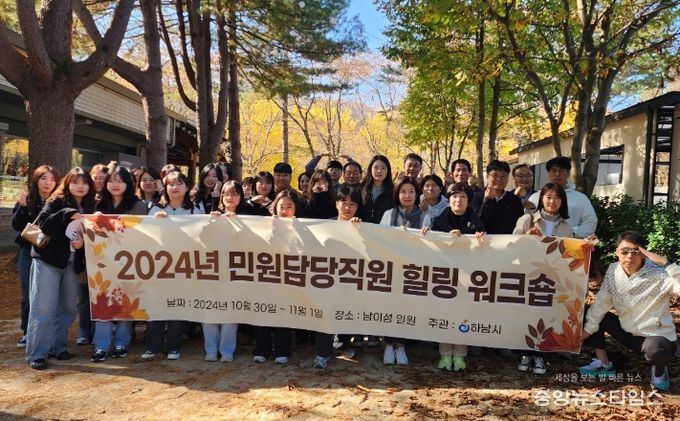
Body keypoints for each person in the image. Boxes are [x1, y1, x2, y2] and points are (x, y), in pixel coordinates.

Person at [578, 231, 678, 391]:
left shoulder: (660, 273)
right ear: (617, 252)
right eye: (624, 251)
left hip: (655, 336)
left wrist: (667, 264)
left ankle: (659, 371)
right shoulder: (613, 270)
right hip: (628, 332)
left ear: (644, 254)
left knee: (656, 350)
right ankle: (603, 363)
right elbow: (601, 303)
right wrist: (587, 331)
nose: (630, 256)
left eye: (635, 251)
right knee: (591, 313)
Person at [26, 167, 96, 370]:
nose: (80, 186)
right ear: (67, 184)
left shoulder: (92, 205)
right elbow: (43, 225)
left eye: (84, 183)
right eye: (75, 182)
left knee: (67, 308)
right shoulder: (56, 201)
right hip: (48, 261)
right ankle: (37, 353)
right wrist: (66, 213)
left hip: (73, 263)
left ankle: (58, 347)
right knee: (43, 308)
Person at [422, 182, 485, 372]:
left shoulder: (476, 221)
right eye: (454, 196)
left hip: (467, 279)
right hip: (444, 278)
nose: (458, 200)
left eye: (463, 196)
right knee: (445, 315)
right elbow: (432, 244)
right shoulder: (440, 220)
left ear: (468, 200)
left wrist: (476, 238)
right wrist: (440, 236)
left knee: (463, 315)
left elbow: (483, 248)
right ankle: (444, 353)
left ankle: (459, 356)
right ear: (448, 200)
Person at [513, 183, 573, 375]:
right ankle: (525, 353)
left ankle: (540, 355)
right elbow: (511, 244)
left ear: (562, 201)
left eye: (557, 198)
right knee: (527, 314)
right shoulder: (527, 219)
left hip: (553, 278)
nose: (552, 201)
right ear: (541, 199)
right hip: (528, 274)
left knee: (546, 315)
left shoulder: (566, 226)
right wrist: (527, 238)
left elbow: (568, 254)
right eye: (548, 197)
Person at [91, 166, 148, 362]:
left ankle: (121, 343)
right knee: (102, 302)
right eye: (111, 180)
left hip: (129, 261)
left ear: (128, 184)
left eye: (120, 180)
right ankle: (101, 346)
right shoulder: (99, 203)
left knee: (125, 303)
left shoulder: (137, 205)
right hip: (103, 263)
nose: (115, 185)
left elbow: (142, 233)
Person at [142, 171, 197, 361]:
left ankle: (174, 347)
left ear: (187, 187)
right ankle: (153, 347)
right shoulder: (155, 209)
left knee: (176, 307)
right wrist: (155, 223)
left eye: (179, 183)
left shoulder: (195, 210)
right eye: (171, 184)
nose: (175, 187)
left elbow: (201, 235)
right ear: (165, 187)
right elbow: (145, 235)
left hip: (183, 266)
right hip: (158, 266)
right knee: (155, 306)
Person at [380, 178, 430, 365]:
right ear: (397, 194)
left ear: (417, 194)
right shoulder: (389, 214)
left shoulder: (425, 216)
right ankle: (388, 344)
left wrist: (426, 235)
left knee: (406, 308)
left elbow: (431, 245)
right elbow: (379, 240)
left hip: (413, 271)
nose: (407, 195)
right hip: (391, 269)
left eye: (411, 191)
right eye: (403, 191)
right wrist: (393, 235)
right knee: (389, 306)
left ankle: (401, 346)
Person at [313, 186, 362, 369]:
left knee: (346, 312)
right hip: (327, 279)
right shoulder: (326, 226)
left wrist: (359, 230)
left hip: (350, 278)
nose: (347, 207)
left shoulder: (361, 227)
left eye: (352, 203)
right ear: (336, 204)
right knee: (326, 315)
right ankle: (322, 353)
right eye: (343, 202)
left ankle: (342, 345)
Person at [11, 165, 59, 348]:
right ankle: (27, 332)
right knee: (28, 294)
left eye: (52, 179)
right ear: (36, 180)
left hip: (50, 253)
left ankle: (49, 334)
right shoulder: (27, 198)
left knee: (49, 295)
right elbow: (17, 225)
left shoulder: (59, 200)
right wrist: (23, 207)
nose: (47, 183)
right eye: (43, 178)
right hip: (28, 251)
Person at [203, 181, 251, 363]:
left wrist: (238, 223)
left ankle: (227, 351)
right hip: (212, 271)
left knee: (230, 314)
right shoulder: (213, 216)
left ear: (241, 196)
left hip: (236, 273)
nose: (230, 197)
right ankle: (210, 350)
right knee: (209, 313)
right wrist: (210, 223)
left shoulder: (248, 218)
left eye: (235, 193)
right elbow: (200, 239)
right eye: (226, 194)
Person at [252, 190, 300, 365]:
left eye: (289, 206)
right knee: (263, 312)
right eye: (281, 206)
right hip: (265, 276)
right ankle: (262, 349)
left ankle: (282, 350)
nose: (285, 210)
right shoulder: (265, 224)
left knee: (283, 314)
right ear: (275, 207)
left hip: (288, 278)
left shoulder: (301, 227)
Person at [527, 156, 597, 239]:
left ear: (568, 173)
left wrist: (569, 232)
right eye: (554, 170)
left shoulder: (581, 198)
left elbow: (591, 222)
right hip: (537, 243)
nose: (557, 174)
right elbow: (527, 220)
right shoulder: (535, 197)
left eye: (561, 170)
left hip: (568, 243)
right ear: (548, 173)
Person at [470, 160, 524, 235]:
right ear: (487, 177)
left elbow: (520, 225)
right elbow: (475, 224)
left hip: (508, 241)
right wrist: (487, 200)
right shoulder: (476, 197)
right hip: (483, 241)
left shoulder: (514, 199)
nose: (499, 179)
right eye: (495, 175)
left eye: (503, 176)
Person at [360, 155, 394, 224]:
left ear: (388, 170)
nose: (379, 171)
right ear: (370, 169)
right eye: (376, 168)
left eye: (383, 168)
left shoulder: (393, 190)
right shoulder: (361, 188)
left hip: (383, 229)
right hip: (361, 227)